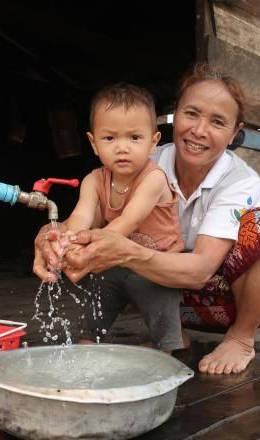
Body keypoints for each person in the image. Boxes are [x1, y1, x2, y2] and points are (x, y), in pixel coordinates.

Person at [34, 63, 260, 375]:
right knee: (115, 267)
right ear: (175, 114)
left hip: (223, 300)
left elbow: (200, 271)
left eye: (218, 121)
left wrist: (123, 251)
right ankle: (170, 337)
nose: (199, 130)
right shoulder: (137, 158)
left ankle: (240, 338)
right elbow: (85, 218)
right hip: (160, 293)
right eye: (191, 113)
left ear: (235, 131)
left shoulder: (240, 180)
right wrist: (52, 236)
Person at [52, 82, 185, 352]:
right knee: (97, 288)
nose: (122, 148)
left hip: (157, 263)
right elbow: (81, 215)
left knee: (159, 298)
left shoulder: (154, 177)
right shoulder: (93, 180)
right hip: (116, 261)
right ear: (93, 143)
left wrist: (88, 249)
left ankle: (169, 347)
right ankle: (88, 340)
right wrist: (68, 240)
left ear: (153, 142)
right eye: (110, 138)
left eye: (134, 138)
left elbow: (128, 222)